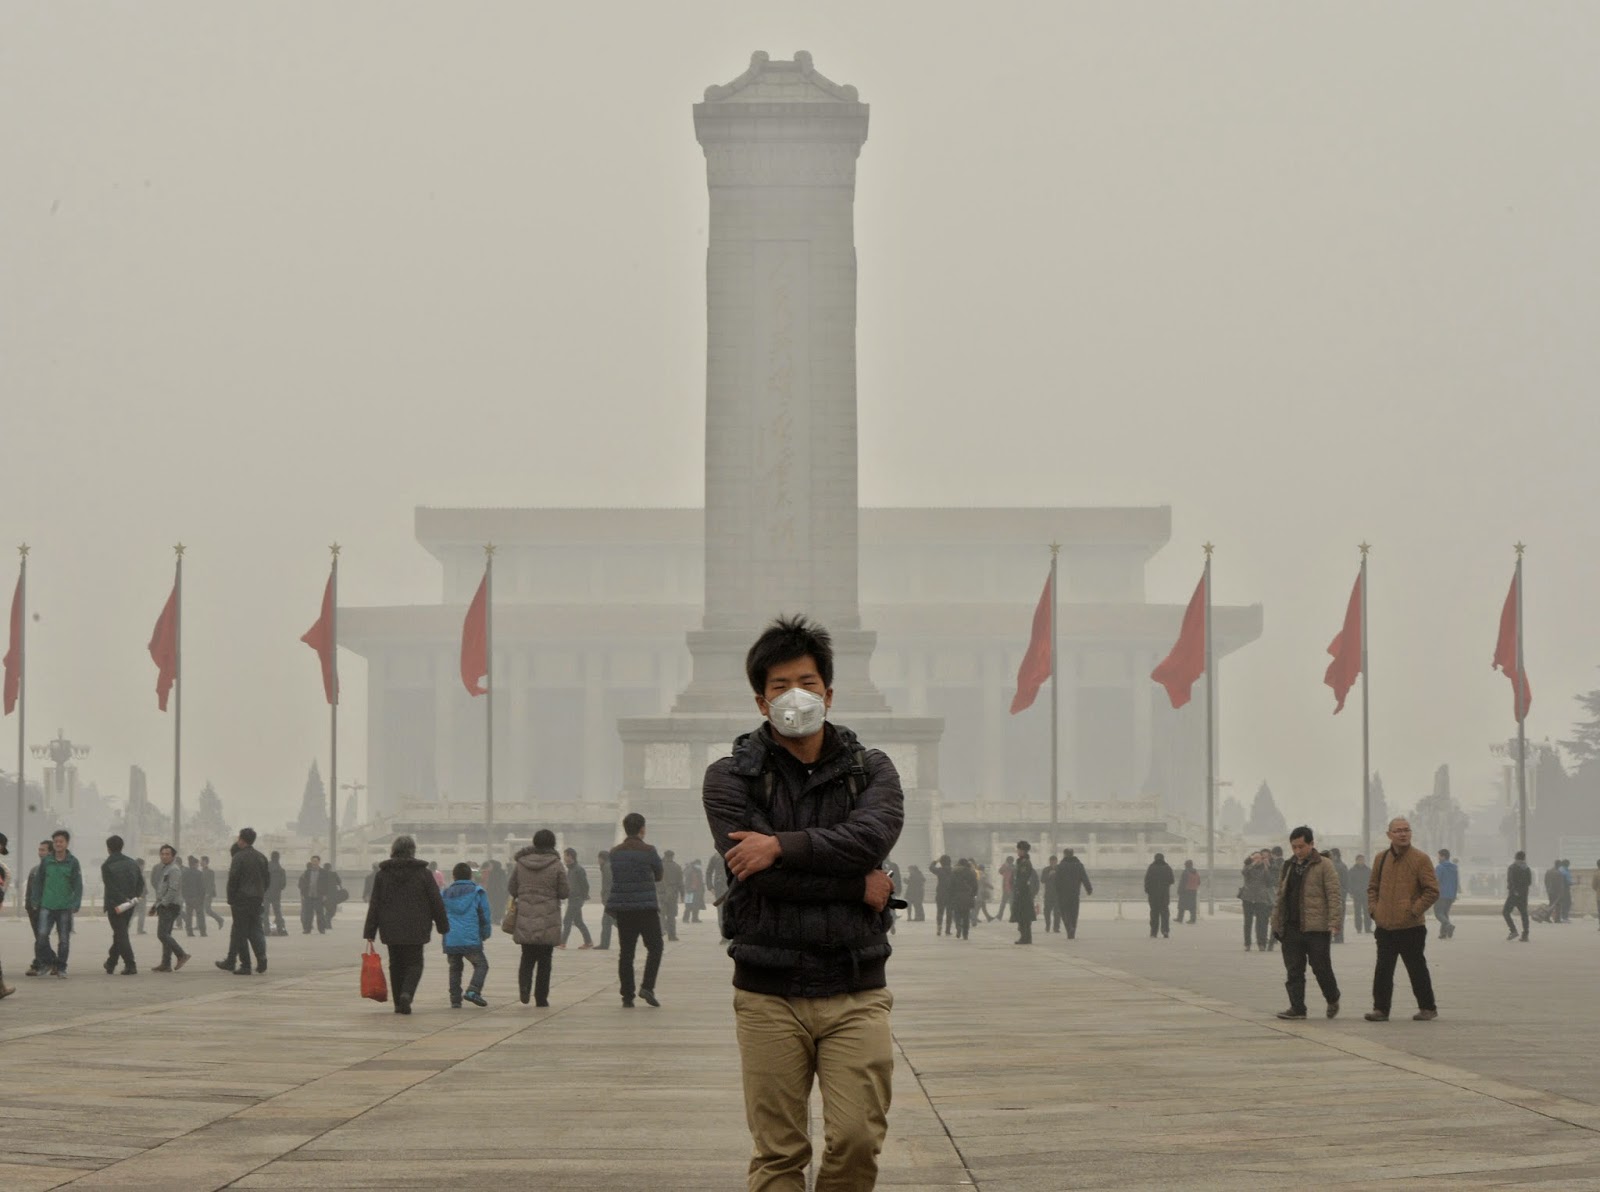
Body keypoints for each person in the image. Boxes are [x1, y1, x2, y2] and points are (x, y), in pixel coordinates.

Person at [702, 614, 904, 1192]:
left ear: (830, 692)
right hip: (768, 988)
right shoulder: (730, 778)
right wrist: (853, 884)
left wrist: (781, 846)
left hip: (856, 986)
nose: (796, 696)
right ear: (761, 702)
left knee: (859, 1139)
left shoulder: (873, 770)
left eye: (808, 684)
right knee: (780, 1154)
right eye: (780, 686)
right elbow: (757, 878)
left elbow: (872, 838)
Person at [362, 835, 448, 1014]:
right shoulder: (424, 873)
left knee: (396, 964)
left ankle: (397, 1003)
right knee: (415, 963)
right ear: (412, 850)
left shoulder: (382, 874)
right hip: (417, 926)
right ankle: (407, 994)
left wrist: (370, 930)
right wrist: (442, 925)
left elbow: (375, 904)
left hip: (390, 927)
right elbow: (435, 901)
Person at [1365, 817, 1440, 1022]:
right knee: (1383, 970)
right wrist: (1375, 910)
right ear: (1389, 834)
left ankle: (1427, 1007)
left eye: (1406, 830)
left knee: (1416, 968)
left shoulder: (1420, 859)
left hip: (1411, 926)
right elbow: (1372, 888)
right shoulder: (1381, 859)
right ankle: (1380, 1009)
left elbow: (1432, 890)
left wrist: (1413, 910)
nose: (1403, 834)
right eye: (1398, 830)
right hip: (1385, 926)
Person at [1269, 826, 1342, 1019]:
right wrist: (1276, 923)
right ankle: (1297, 1008)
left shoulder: (1324, 864)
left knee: (1321, 967)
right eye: (1294, 847)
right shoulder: (1288, 866)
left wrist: (1334, 921)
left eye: (1301, 846)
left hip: (1316, 927)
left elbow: (1334, 894)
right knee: (1294, 969)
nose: (1297, 851)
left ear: (1311, 844)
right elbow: (1281, 896)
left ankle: (1332, 997)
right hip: (1292, 927)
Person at [604, 812, 664, 1007]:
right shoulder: (649, 850)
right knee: (655, 947)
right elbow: (659, 875)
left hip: (624, 909)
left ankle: (627, 995)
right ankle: (647, 986)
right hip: (646, 908)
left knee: (626, 952)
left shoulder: (615, 852)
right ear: (642, 829)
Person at [508, 829, 568, 1006]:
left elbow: (512, 888)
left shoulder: (521, 863)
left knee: (527, 956)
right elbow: (564, 892)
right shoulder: (557, 865)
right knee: (545, 960)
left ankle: (524, 988)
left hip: (526, 915)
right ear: (553, 844)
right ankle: (541, 998)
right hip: (548, 918)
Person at [441, 862, 492, 1008]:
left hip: (451, 938)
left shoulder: (444, 893)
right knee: (481, 965)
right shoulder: (477, 892)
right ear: (470, 875)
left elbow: (440, 915)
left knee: (455, 968)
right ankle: (473, 990)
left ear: (453, 876)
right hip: (470, 937)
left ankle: (455, 999)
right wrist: (485, 933)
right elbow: (485, 916)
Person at [221, 828, 270, 976]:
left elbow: (233, 880)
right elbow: (267, 880)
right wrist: (260, 893)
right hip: (257, 899)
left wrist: (231, 898)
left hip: (241, 899)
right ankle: (262, 959)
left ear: (241, 840)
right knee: (256, 929)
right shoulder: (261, 857)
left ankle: (245, 965)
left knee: (240, 932)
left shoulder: (239, 857)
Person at [36, 829, 82, 978]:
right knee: (41, 937)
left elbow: (78, 884)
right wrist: (35, 899)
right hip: (47, 905)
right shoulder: (46, 861)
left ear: (66, 843)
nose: (58, 844)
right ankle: (48, 962)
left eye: (61, 841)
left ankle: (61, 967)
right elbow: (38, 882)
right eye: (55, 842)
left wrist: (76, 902)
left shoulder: (73, 862)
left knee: (64, 940)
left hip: (65, 907)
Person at [100, 835, 144, 975]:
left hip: (115, 905)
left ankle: (130, 964)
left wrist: (122, 899)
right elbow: (141, 883)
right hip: (130, 905)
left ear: (108, 848)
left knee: (121, 934)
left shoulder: (107, 865)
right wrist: (132, 899)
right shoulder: (132, 863)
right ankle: (111, 963)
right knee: (120, 934)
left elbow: (111, 887)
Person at [147, 844, 191, 972]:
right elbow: (162, 890)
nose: (164, 856)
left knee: (162, 934)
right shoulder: (165, 869)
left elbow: (172, 890)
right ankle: (166, 963)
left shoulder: (174, 870)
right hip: (165, 905)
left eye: (167, 854)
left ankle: (181, 954)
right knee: (167, 934)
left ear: (173, 856)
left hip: (170, 906)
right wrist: (155, 906)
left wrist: (162, 904)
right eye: (162, 854)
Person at [22, 840, 50, 976]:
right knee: (41, 937)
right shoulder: (34, 870)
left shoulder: (53, 870)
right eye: (39, 850)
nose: (40, 853)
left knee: (41, 938)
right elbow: (29, 891)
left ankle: (39, 964)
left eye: (43, 850)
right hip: (33, 909)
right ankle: (52, 962)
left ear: (50, 852)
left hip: (45, 908)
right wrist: (28, 905)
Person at [560, 847, 594, 949]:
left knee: (567, 920)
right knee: (578, 922)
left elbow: (585, 885)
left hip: (577, 899)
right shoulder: (570, 869)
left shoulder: (578, 869)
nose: (564, 857)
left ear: (570, 856)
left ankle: (562, 943)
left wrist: (583, 897)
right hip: (572, 898)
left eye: (565, 855)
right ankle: (588, 942)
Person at [1054, 849, 1092, 939]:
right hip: (1075, 893)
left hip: (1063, 894)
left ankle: (1069, 928)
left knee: (1064, 912)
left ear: (1064, 855)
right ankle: (1073, 930)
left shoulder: (1060, 866)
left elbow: (1056, 881)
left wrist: (1057, 891)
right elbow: (1084, 878)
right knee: (1074, 913)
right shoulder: (1079, 866)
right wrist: (1089, 889)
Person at [1241, 851, 1274, 951]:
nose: (1257, 860)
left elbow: (1269, 882)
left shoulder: (1265, 868)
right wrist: (1252, 864)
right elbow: (1244, 873)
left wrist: (1267, 867)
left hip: (1261, 898)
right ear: (1251, 859)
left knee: (1262, 922)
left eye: (1259, 858)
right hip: (1248, 897)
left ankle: (1262, 943)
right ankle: (1247, 943)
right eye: (1255, 858)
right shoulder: (1247, 867)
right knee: (1248, 921)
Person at [1010, 840, 1039, 945]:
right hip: (1022, 892)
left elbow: (1022, 879)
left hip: (1023, 893)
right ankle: (1025, 937)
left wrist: (1018, 889)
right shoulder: (1021, 862)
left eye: (1018, 849)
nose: (1017, 851)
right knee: (1022, 916)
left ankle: (1025, 937)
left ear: (1023, 850)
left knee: (1024, 917)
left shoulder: (1024, 863)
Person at [1503, 850, 1533, 942]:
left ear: (1515, 857)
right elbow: (1529, 882)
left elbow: (1511, 881)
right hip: (1523, 895)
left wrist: (1514, 891)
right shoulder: (1527, 868)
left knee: (1505, 912)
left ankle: (1513, 930)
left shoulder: (1513, 867)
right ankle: (1525, 934)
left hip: (1514, 894)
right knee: (1524, 914)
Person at [1144, 852, 1174, 939]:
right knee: (1165, 913)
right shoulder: (1167, 868)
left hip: (1153, 895)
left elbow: (1147, 881)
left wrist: (1148, 890)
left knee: (1154, 913)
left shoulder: (1151, 868)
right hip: (1164, 895)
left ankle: (1153, 932)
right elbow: (1172, 880)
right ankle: (1165, 930)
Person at [1433, 848, 1459, 940]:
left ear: (1443, 857)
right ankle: (1443, 933)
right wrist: (1455, 895)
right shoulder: (1454, 867)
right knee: (1445, 913)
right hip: (1450, 895)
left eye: (1439, 856)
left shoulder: (1440, 867)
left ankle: (1448, 926)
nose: (1438, 858)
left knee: (1438, 912)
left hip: (1441, 894)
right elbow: (1456, 882)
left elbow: (1436, 881)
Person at [950, 857, 977, 939]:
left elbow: (950, 885)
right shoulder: (971, 872)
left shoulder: (954, 872)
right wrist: (973, 894)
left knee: (956, 914)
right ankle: (965, 934)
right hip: (967, 896)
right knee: (966, 915)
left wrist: (950, 895)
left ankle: (958, 928)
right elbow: (975, 885)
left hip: (956, 895)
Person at [659, 849, 683, 941]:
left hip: (661, 893)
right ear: (672, 856)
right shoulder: (676, 867)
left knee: (661, 914)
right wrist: (682, 894)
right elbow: (680, 882)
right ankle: (672, 935)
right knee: (671, 915)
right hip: (673, 893)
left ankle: (661, 931)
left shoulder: (659, 866)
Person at [299, 856, 326, 933]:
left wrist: (325, 895)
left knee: (320, 913)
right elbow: (302, 883)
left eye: (316, 861)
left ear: (319, 862)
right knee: (308, 913)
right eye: (313, 861)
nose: (314, 862)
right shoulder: (307, 872)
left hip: (319, 896)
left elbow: (326, 884)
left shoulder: (323, 872)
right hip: (309, 895)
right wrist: (303, 893)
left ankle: (321, 929)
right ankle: (307, 929)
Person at [1346, 854, 1372, 934]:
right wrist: (1351, 892)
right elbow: (1349, 882)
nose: (1361, 861)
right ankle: (1358, 928)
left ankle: (1368, 928)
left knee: (1367, 912)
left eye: (1362, 860)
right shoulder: (1352, 871)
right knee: (1357, 912)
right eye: (1359, 860)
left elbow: (1371, 881)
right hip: (1356, 894)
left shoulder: (1368, 870)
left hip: (1366, 894)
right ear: (1356, 861)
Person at [595, 850, 615, 950]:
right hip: (610, 898)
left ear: (602, 858)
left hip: (610, 899)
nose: (597, 860)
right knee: (609, 921)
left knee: (607, 921)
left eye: (598, 858)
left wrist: (606, 897)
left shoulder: (607, 867)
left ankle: (604, 944)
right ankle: (604, 943)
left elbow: (609, 884)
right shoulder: (606, 867)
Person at [199, 856, 224, 932]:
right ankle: (199, 925)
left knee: (207, 910)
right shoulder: (201, 871)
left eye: (201, 861)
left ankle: (220, 919)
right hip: (201, 894)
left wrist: (208, 893)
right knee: (200, 909)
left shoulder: (210, 872)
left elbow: (211, 883)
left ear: (205, 862)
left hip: (207, 894)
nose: (200, 862)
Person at [1328, 848, 1349, 944]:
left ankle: (1338, 936)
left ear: (1335, 856)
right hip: (1340, 894)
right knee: (1339, 916)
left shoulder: (1335, 866)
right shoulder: (1342, 866)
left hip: (1336, 894)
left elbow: (1345, 881)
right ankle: (1338, 936)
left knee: (1336, 916)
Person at [265, 850, 288, 936]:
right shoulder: (281, 870)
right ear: (278, 858)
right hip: (276, 894)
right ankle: (280, 929)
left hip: (266, 893)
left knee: (265, 913)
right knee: (278, 912)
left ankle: (266, 930)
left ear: (271, 857)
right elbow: (283, 885)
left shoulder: (265, 868)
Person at [181, 856, 205, 936]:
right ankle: (202, 931)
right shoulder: (199, 873)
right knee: (200, 915)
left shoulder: (185, 873)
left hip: (188, 897)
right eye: (197, 864)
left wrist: (184, 896)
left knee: (189, 915)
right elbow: (201, 887)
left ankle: (189, 931)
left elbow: (182, 885)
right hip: (197, 897)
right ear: (195, 864)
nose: (198, 865)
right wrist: (202, 897)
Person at [931, 854, 953, 935]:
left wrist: (936, 861)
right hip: (950, 894)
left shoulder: (940, 871)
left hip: (940, 894)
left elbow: (931, 867)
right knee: (949, 912)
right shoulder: (953, 871)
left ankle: (939, 927)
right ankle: (948, 929)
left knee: (940, 912)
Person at [1177, 859, 1201, 924]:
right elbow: (1199, 882)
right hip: (1193, 891)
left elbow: (1182, 883)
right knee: (1192, 906)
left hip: (1185, 891)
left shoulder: (1185, 872)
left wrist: (1179, 891)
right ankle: (1193, 919)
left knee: (1181, 905)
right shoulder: (1196, 872)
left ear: (1186, 865)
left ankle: (1180, 918)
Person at [683, 858, 706, 924]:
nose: (699, 865)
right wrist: (688, 889)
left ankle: (695, 918)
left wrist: (702, 890)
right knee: (688, 905)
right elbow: (687, 881)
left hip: (697, 890)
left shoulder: (698, 871)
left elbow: (700, 881)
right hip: (689, 891)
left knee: (696, 905)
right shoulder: (689, 870)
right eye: (699, 864)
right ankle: (685, 918)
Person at [1041, 855, 1058, 932]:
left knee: (1057, 912)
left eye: (1054, 861)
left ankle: (1056, 927)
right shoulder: (1046, 869)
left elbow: (1063, 881)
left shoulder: (1060, 869)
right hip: (1048, 894)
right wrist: (1049, 875)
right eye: (1052, 861)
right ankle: (1048, 925)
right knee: (1047, 911)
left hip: (1057, 894)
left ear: (1056, 861)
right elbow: (1042, 880)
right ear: (1050, 862)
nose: (1053, 863)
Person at [133, 857, 149, 935]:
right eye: (143, 865)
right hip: (141, 897)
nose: (144, 867)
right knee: (142, 913)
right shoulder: (140, 875)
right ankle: (140, 929)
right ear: (140, 865)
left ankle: (125, 928)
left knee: (133, 913)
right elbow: (143, 887)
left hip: (134, 897)